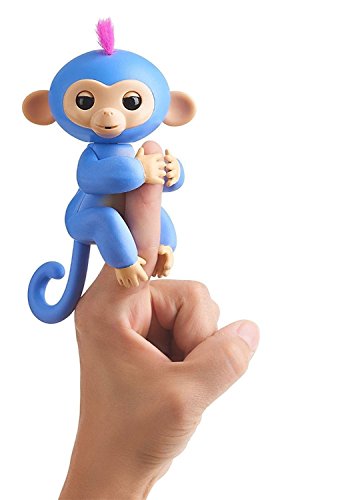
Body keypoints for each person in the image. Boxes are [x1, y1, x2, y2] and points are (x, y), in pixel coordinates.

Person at [59, 142, 259, 499]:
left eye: (131, 108)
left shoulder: (136, 152)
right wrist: (141, 171)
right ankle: (124, 261)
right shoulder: (95, 155)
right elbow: (91, 178)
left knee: (153, 214)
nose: (109, 116)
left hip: (122, 213)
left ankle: (165, 249)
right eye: (88, 108)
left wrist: (172, 171)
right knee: (113, 218)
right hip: (88, 218)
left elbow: (169, 181)